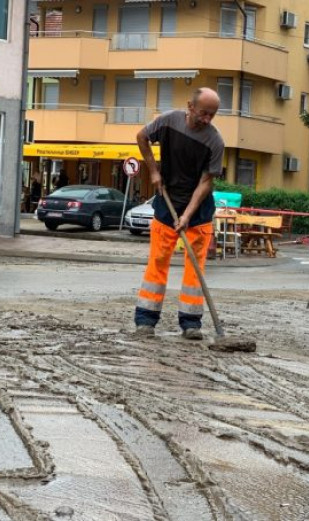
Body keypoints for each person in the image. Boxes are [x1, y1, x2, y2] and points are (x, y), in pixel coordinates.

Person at [133, 87, 225, 340]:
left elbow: (206, 182)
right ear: (190, 106)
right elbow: (141, 137)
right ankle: (146, 320)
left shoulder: (215, 141)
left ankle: (191, 323)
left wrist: (187, 215)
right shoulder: (168, 122)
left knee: (194, 269)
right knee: (158, 262)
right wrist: (153, 171)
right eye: (203, 113)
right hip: (166, 204)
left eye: (212, 115)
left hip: (198, 213)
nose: (207, 119)